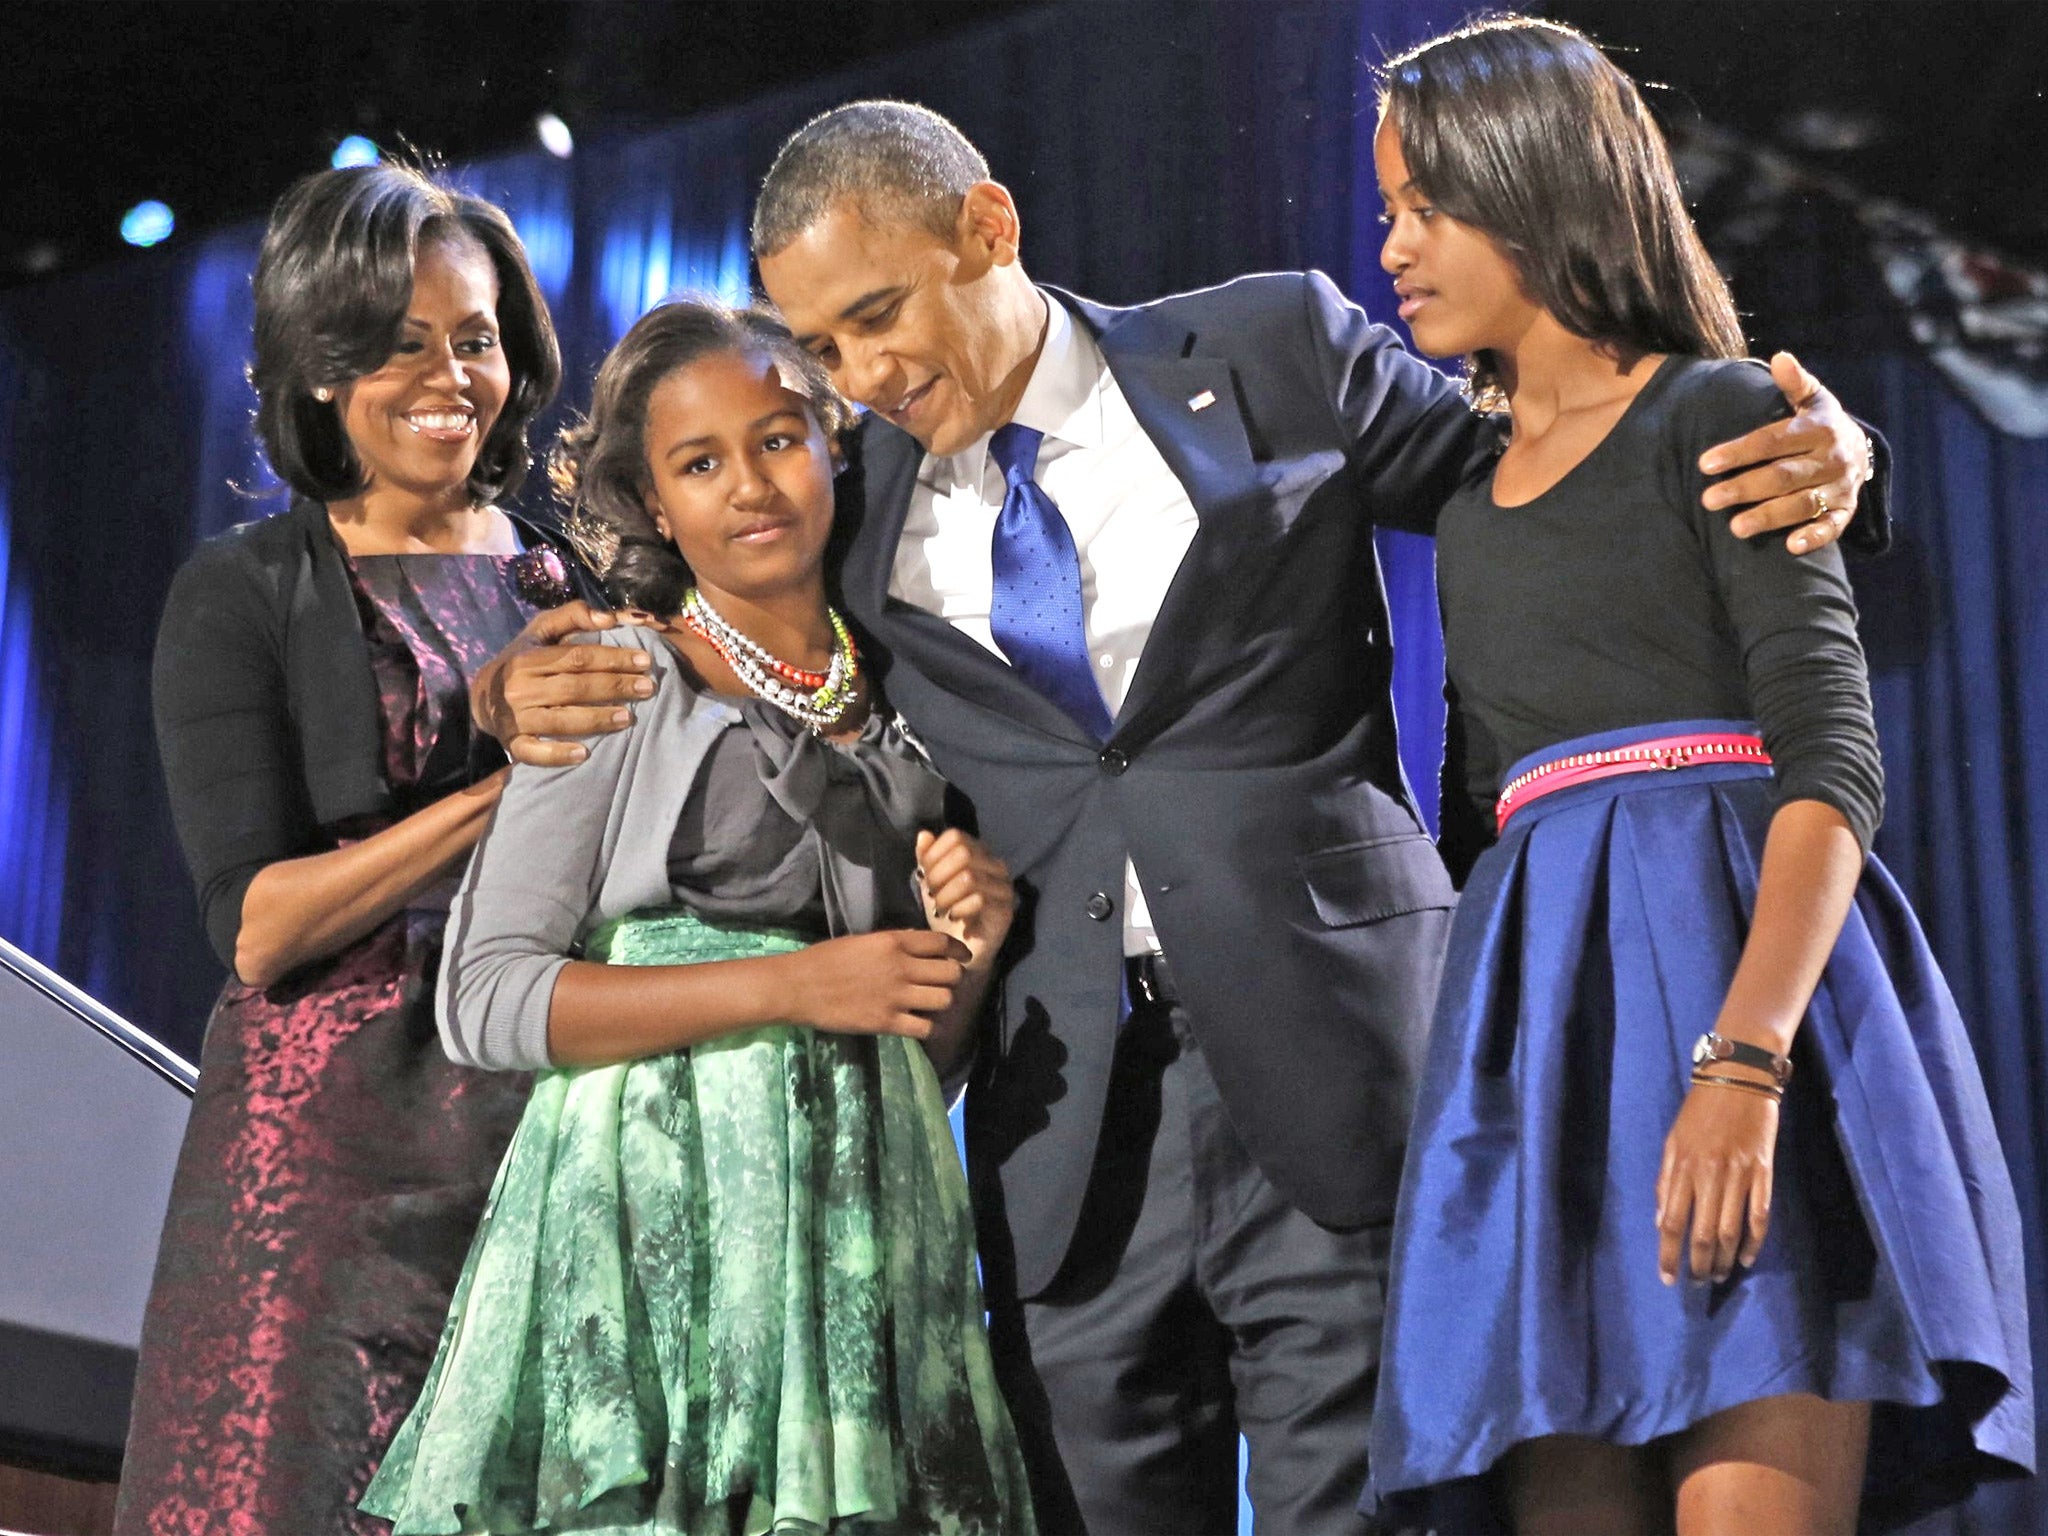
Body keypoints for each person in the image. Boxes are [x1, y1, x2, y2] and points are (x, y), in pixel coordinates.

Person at [477, 103, 1886, 1533]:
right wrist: (533, 676)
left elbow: (1554, 477)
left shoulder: (1273, 348)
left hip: (1344, 1079)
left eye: (880, 314)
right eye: (826, 345)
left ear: (988, 228)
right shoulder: (847, 490)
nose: (865, 374)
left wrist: (1820, 449)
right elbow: (725, 611)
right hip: (1065, 1132)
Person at [1361, 19, 2032, 1535]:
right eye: (1388, 207)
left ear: (1539, 190)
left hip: (1742, 1012)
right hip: (1547, 1045)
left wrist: (1744, 1063)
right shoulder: (1462, 498)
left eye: (1428, 207)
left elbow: (1831, 764)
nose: (1392, 247)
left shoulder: (1720, 419)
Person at [358, 298, 1036, 1534]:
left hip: (849, 1251)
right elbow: (484, 997)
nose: (750, 487)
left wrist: (968, 959)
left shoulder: (909, 723)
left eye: (777, 439)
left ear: (835, 442)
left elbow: (904, 1070)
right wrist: (789, 985)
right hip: (646, 1240)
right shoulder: (614, 677)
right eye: (699, 462)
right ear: (653, 504)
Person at [117, 165, 602, 1535]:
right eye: (400, 343)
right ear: (321, 369)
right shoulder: (244, 591)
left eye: (477, 338)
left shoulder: (576, 582)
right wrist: (506, 787)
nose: (451, 375)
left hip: (542, 1143)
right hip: (324, 1170)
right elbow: (260, 927)